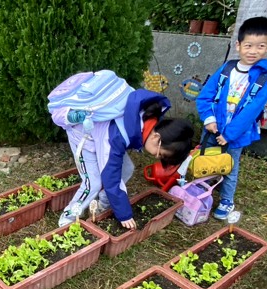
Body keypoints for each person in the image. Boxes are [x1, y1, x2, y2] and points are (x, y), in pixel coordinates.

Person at [52, 84, 194, 228]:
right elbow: (111, 177)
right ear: (156, 137)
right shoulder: (118, 135)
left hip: (101, 135)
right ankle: (67, 218)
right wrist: (124, 214)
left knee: (127, 169)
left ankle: (104, 204)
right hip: (84, 137)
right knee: (93, 183)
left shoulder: (146, 119)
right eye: (161, 154)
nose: (157, 157)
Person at [195, 16, 267, 220]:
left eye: (260, 46)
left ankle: (226, 200)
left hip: (235, 135)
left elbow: (250, 114)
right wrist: (209, 119)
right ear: (238, 45)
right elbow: (205, 96)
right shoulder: (227, 69)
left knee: (229, 166)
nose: (253, 51)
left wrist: (229, 135)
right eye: (248, 45)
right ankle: (204, 188)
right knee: (208, 158)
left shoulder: (264, 80)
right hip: (213, 128)